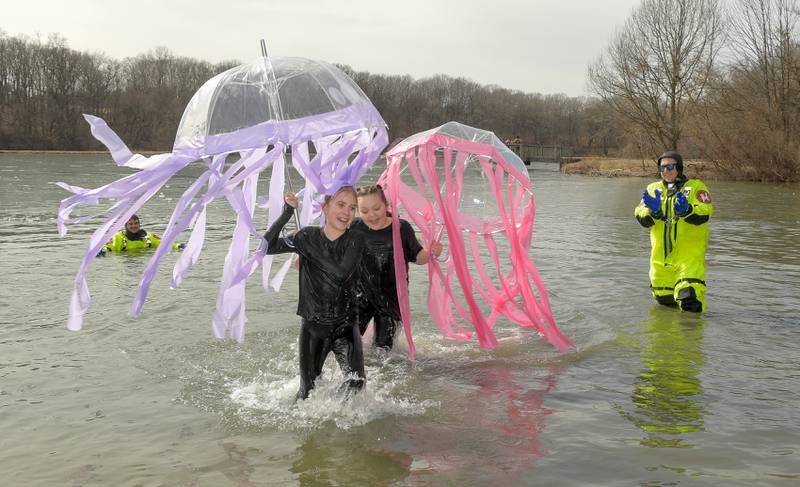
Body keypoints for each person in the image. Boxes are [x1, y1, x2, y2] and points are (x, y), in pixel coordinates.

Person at [264, 186, 366, 400]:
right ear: (325, 208)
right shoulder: (308, 235)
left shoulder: (355, 239)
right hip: (313, 327)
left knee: (356, 384)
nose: (346, 212)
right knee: (307, 392)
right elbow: (268, 246)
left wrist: (309, 249)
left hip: (345, 326)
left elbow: (340, 274)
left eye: (352, 208)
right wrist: (287, 213)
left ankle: (341, 423)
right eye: (340, 204)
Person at [352, 185, 443, 351]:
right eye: (364, 211)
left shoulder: (401, 228)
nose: (371, 215)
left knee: (382, 351)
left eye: (376, 208)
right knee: (347, 342)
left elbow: (418, 257)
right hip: (360, 296)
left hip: (392, 300)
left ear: (386, 205)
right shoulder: (354, 228)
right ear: (357, 211)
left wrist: (431, 253)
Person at [635, 151, 713, 312]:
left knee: (690, 302)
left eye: (670, 167)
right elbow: (640, 215)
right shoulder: (652, 189)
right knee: (665, 307)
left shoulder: (696, 187)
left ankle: (694, 336)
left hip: (688, 259)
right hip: (660, 261)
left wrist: (687, 210)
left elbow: (704, 213)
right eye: (662, 167)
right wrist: (653, 213)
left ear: (679, 168)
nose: (666, 171)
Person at [98, 214, 184, 255]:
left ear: (139, 224)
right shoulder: (118, 238)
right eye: (130, 224)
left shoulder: (148, 237)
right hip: (125, 263)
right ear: (126, 226)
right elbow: (109, 247)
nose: (134, 226)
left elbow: (164, 244)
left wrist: (179, 246)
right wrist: (102, 251)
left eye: (136, 223)